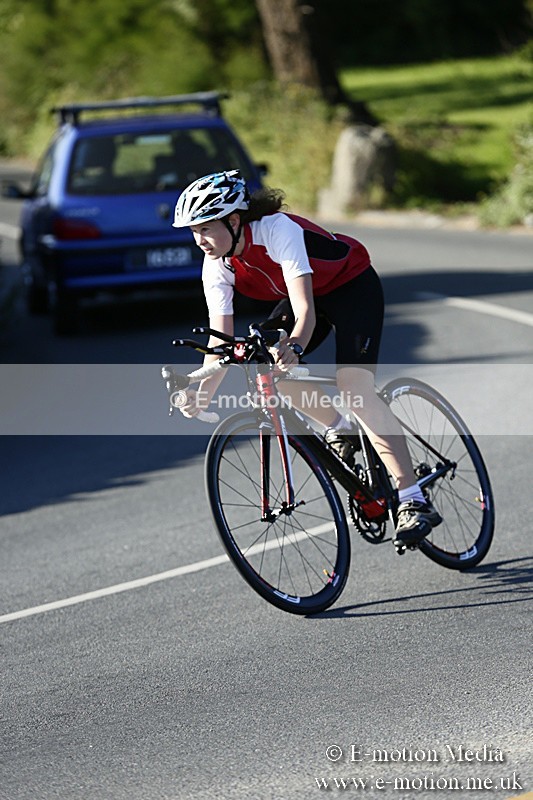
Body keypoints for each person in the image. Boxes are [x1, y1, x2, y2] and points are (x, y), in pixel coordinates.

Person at [171, 170, 442, 547]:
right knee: (269, 368)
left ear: (234, 221)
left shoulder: (277, 230)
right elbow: (223, 342)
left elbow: (305, 312)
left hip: (350, 286)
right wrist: (202, 389)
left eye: (206, 228)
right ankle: (340, 429)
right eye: (192, 231)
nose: (199, 240)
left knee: (355, 387)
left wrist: (294, 346)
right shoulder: (216, 264)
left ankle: (413, 498)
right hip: (309, 299)